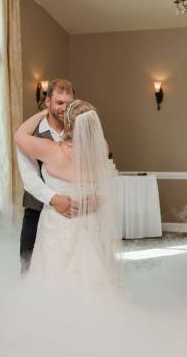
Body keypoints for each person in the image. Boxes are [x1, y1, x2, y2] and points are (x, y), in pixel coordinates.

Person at [15, 100, 122, 289]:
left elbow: (19, 135)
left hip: (58, 223)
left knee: (52, 278)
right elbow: (105, 183)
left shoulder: (51, 150)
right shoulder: (102, 149)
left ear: (69, 124)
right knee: (92, 276)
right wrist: (98, 198)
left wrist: (46, 112)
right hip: (90, 222)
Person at [17, 79, 75, 274]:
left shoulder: (79, 131)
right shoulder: (31, 135)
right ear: (48, 101)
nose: (64, 108)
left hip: (72, 214)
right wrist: (54, 199)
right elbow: (29, 176)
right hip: (37, 210)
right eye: (59, 102)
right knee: (30, 268)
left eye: (69, 103)